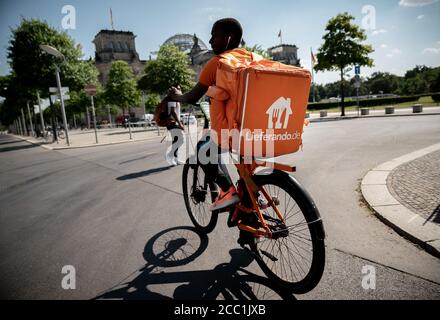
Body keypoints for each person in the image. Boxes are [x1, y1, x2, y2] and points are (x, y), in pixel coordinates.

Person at [168, 18, 243, 211]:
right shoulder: (253, 59)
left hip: (231, 131)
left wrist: (176, 96)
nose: (209, 41)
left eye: (214, 36)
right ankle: (249, 211)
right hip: (260, 128)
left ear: (229, 38)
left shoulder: (217, 63)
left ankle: (227, 191)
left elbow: (193, 97)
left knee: (203, 150)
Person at [166, 85, 185, 166]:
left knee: (176, 140)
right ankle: (170, 155)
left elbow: (176, 113)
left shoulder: (175, 99)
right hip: (172, 123)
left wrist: (180, 121)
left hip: (175, 123)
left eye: (180, 88)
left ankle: (176, 158)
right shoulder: (171, 99)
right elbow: (173, 112)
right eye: (178, 88)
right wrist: (179, 123)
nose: (180, 90)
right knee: (181, 140)